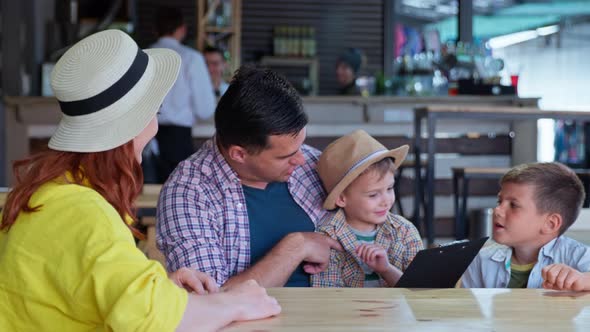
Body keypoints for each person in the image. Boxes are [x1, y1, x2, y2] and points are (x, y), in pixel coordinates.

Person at [0, 29, 280, 331]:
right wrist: (237, 300)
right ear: (131, 126)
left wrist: (152, 286)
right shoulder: (84, 212)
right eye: (155, 111)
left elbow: (74, 286)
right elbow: (159, 323)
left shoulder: (51, 190)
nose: (156, 126)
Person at [157, 65, 343, 288]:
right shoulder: (188, 191)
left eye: (301, 146)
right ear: (239, 154)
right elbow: (209, 300)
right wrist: (296, 246)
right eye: (286, 156)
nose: (302, 160)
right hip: (251, 323)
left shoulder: (315, 165)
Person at [310, 130, 423, 287]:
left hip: (397, 311)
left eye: (390, 188)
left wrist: (387, 270)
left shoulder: (405, 232)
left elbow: (419, 290)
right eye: (373, 195)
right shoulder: (328, 238)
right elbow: (327, 296)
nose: (386, 201)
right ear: (341, 199)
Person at [462, 162, 590, 291]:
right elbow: (467, 308)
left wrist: (583, 279)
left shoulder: (578, 256)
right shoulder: (480, 260)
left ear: (550, 224)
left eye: (513, 205)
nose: (497, 210)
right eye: (499, 201)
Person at [150, 6, 216, 183]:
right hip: (178, 139)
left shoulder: (144, 56)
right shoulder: (191, 58)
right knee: (177, 193)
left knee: (145, 196)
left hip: (144, 136)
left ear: (155, 30)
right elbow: (205, 108)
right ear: (182, 29)